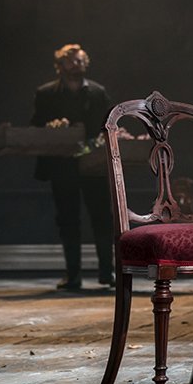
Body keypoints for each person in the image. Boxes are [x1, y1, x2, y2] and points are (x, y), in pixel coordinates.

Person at [31, 43, 114, 291]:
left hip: (93, 164)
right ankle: (73, 275)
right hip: (61, 165)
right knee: (67, 219)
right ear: (60, 66)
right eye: (70, 60)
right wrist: (53, 127)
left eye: (79, 60)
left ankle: (106, 273)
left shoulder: (98, 92)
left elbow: (109, 125)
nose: (75, 64)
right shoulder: (45, 93)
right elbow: (36, 126)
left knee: (102, 218)